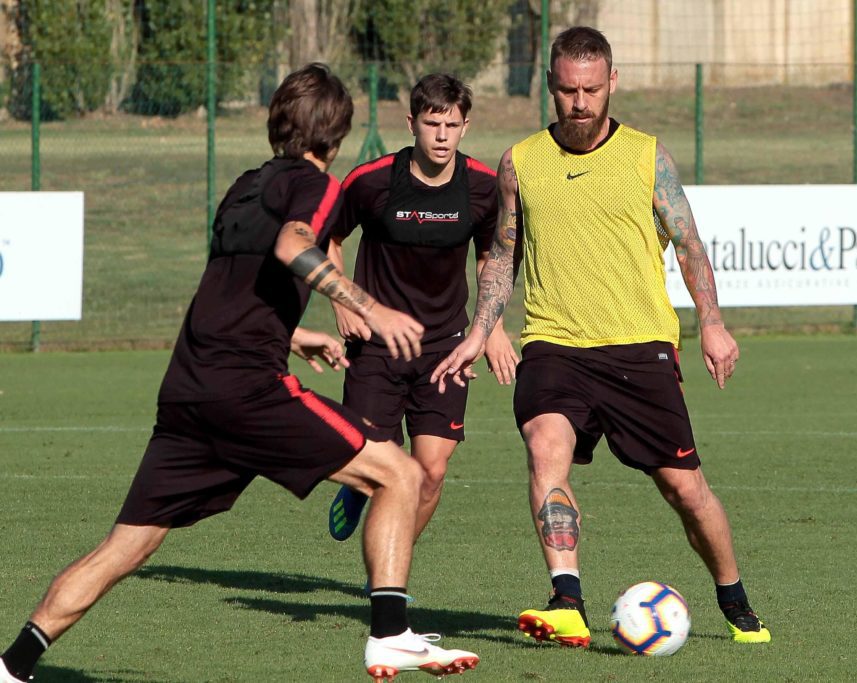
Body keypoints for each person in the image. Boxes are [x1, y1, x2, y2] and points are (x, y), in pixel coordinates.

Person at [0, 64, 478, 683]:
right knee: (401, 475)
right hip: (246, 390)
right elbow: (291, 247)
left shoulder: (244, 185)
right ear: (335, 134)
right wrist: (370, 306)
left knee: (128, 546)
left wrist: (296, 333)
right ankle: (390, 636)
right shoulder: (316, 184)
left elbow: (232, 281)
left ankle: (13, 666)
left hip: (187, 389)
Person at [432, 27, 771, 647]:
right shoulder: (522, 161)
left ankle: (735, 599)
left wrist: (713, 324)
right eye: (567, 90)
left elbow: (690, 243)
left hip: (639, 347)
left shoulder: (647, 156)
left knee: (686, 489)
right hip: (554, 345)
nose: (579, 102)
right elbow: (503, 255)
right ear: (551, 87)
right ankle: (566, 599)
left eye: (590, 89)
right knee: (545, 449)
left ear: (611, 82)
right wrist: (482, 330)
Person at [324, 73, 518, 547]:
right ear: (412, 123)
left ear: (465, 126)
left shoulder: (482, 187)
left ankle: (391, 566)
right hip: (377, 344)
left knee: (430, 471)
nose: (441, 136)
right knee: (375, 464)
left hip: (444, 348)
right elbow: (328, 238)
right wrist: (341, 300)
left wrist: (490, 328)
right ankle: (357, 490)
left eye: (451, 125)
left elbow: (491, 257)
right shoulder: (371, 182)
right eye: (432, 124)